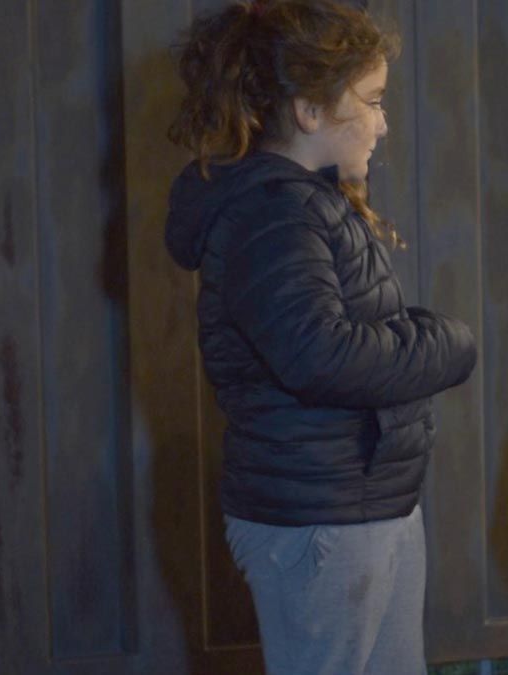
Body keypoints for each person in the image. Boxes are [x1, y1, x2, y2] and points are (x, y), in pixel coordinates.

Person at [164, 2, 477, 673]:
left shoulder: (305, 202)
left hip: (363, 505)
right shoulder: (273, 213)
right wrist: (447, 344)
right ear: (309, 110)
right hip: (321, 518)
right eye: (373, 100)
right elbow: (320, 354)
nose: (383, 122)